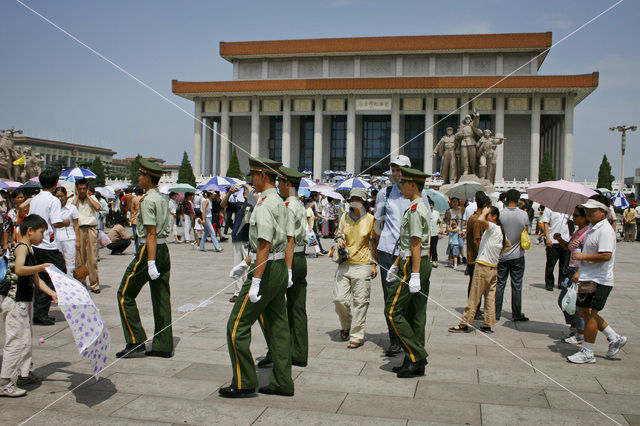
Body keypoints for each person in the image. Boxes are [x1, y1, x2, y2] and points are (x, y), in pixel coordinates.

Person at [220, 156, 293, 398]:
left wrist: (256, 280)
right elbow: (281, 241)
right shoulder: (280, 201)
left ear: (262, 175)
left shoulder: (263, 204)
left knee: (236, 326)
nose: (251, 179)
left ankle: (244, 382)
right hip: (279, 265)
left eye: (253, 175)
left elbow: (263, 244)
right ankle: (282, 382)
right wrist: (245, 262)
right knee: (279, 328)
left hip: (267, 269)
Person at [116, 159, 173, 359]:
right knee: (161, 298)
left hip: (150, 250)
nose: (139, 178)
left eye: (141, 175)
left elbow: (150, 233)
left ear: (148, 178)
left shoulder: (148, 200)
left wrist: (149, 262)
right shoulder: (162, 199)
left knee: (124, 294)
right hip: (164, 249)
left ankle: (135, 341)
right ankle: (163, 344)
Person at [0, 214, 58, 397]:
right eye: (41, 232)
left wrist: (52, 293)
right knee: (16, 341)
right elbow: (19, 269)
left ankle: (23, 373)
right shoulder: (22, 247)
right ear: (30, 231)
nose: (43, 236)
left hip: (24, 301)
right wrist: (41, 267)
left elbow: (36, 280)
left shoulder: (29, 250)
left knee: (24, 339)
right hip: (16, 302)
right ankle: (4, 381)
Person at [257, 167, 309, 367]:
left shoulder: (287, 205)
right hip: (300, 259)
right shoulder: (298, 204)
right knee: (297, 308)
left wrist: (286, 270)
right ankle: (299, 352)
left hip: (289, 259)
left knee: (269, 307)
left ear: (288, 184)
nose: (277, 186)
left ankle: (277, 348)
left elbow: (289, 240)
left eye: (280, 183)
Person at [567, 195, 627, 364]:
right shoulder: (594, 228)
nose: (588, 213)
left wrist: (583, 256)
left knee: (591, 314)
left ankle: (588, 351)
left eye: (592, 210)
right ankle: (613, 337)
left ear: (602, 212)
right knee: (584, 311)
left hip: (599, 279)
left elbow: (606, 255)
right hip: (589, 277)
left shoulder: (605, 230)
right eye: (587, 210)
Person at [384, 166, 431, 377]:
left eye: (403, 183)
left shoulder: (414, 209)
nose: (401, 186)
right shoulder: (419, 206)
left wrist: (413, 274)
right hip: (418, 262)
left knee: (392, 311)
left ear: (413, 185)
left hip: (413, 263)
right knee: (416, 315)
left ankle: (418, 354)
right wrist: (395, 264)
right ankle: (412, 361)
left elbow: (414, 243)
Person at [374, 154, 412, 357]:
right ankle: (394, 339)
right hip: (388, 251)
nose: (396, 174)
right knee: (390, 297)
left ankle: (408, 336)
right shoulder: (384, 193)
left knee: (408, 296)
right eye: (394, 170)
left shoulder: (416, 192)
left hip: (408, 253)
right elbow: (377, 221)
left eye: (400, 170)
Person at [450, 206, 509, 333]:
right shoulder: (500, 231)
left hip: (483, 266)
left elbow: (480, 219)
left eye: (488, 214)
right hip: (493, 267)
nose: (485, 216)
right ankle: (488, 323)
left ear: (494, 216)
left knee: (474, 296)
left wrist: (485, 211)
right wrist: (497, 254)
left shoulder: (493, 227)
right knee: (490, 298)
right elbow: (507, 244)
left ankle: (465, 323)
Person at [332, 188, 377, 348]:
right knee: (339, 299)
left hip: (363, 264)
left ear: (364, 201)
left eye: (358, 199)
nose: (355, 201)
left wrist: (374, 263)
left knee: (360, 302)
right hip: (344, 263)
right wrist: (338, 239)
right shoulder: (345, 217)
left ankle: (357, 336)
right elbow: (338, 233)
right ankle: (346, 324)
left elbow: (373, 243)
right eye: (352, 199)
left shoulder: (371, 219)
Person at [29, 169, 69, 326]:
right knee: (57, 274)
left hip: (37, 243)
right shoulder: (53, 201)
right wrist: (66, 222)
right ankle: (41, 310)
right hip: (48, 244)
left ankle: (40, 312)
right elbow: (56, 222)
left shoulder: (35, 199)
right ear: (55, 184)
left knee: (42, 276)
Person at [555, 205, 589, 345]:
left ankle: (581, 332)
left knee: (573, 302)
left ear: (585, 217)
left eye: (576, 216)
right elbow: (569, 247)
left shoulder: (587, 233)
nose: (573, 218)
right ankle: (574, 327)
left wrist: (580, 272)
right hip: (570, 269)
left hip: (577, 270)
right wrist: (560, 239)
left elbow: (587, 254)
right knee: (565, 300)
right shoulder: (578, 231)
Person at [495, 189, 530, 322]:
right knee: (517, 285)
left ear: (506, 199)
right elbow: (525, 232)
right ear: (518, 199)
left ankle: (496, 313)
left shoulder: (500, 214)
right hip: (517, 254)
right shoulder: (523, 215)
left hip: (502, 254)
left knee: (499, 284)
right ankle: (516, 313)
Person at [221, 184, 256, 302]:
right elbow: (223, 204)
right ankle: (238, 292)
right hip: (237, 237)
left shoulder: (255, 204)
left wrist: (246, 185)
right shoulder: (239, 205)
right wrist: (230, 193)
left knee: (248, 266)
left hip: (249, 238)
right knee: (237, 266)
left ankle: (247, 290)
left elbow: (255, 198)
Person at [72, 179, 101, 294]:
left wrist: (88, 196)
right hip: (78, 230)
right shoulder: (74, 200)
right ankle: (81, 283)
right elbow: (70, 209)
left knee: (92, 259)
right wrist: (77, 197)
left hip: (91, 229)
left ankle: (94, 284)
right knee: (80, 258)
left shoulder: (92, 198)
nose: (82, 191)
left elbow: (98, 208)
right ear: (77, 189)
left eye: (84, 188)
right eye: (80, 189)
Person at [541, 206, 570, 291]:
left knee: (564, 264)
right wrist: (548, 238)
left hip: (565, 240)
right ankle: (549, 283)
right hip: (553, 241)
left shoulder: (568, 210)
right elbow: (546, 224)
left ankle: (561, 283)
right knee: (551, 264)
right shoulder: (549, 208)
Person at [54, 187, 79, 278]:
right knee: (58, 262)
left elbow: (76, 225)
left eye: (61, 196)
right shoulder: (54, 208)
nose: (60, 198)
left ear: (66, 196)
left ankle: (70, 281)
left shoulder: (72, 208)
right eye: (57, 196)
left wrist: (78, 241)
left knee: (70, 262)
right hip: (56, 238)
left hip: (69, 238)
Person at [427, 198, 441, 268]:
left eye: (431, 205)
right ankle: (427, 260)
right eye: (429, 205)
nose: (430, 206)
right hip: (427, 233)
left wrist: (440, 229)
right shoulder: (425, 212)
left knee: (434, 247)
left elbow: (440, 221)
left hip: (434, 233)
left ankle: (434, 260)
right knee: (427, 247)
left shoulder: (436, 213)